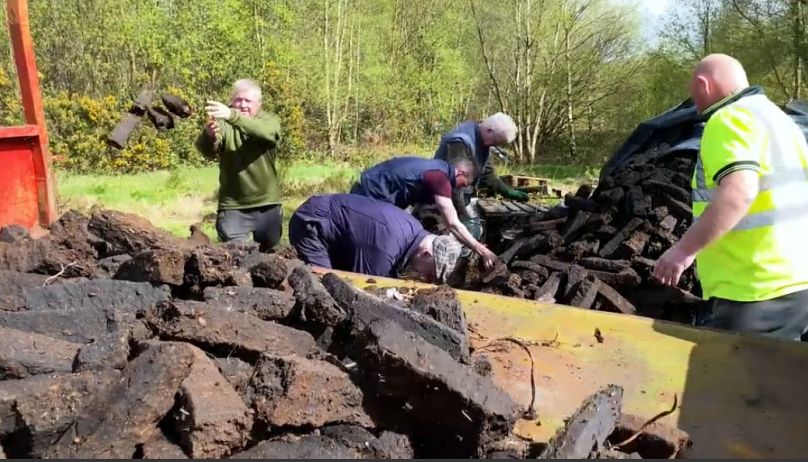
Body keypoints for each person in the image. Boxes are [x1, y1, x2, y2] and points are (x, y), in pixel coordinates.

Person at [654, 54, 808, 341]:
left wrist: (683, 251)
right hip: (797, 286)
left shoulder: (728, 118)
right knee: (781, 381)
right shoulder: (783, 122)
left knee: (735, 383)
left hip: (752, 290)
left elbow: (739, 191)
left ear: (703, 85)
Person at [350, 156, 498, 269]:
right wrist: (482, 251)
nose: (461, 188)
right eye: (464, 184)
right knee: (369, 241)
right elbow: (452, 223)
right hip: (370, 194)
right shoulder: (440, 178)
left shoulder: (437, 167)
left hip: (370, 187)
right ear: (461, 173)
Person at [289, 194, 462, 282]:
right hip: (313, 223)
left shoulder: (414, 229)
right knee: (327, 284)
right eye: (430, 272)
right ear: (426, 254)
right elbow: (368, 287)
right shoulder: (385, 250)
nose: (426, 278)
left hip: (338, 226)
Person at [196, 79, 283, 250]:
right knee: (235, 257)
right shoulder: (223, 123)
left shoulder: (269, 120)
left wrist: (231, 115)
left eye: (248, 101)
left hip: (267, 205)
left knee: (270, 257)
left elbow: (267, 134)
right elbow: (207, 151)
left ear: (259, 104)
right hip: (233, 206)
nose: (242, 105)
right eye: (238, 100)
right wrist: (209, 136)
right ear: (231, 101)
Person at [433, 112, 527, 237]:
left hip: (460, 197)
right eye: (496, 141)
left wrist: (508, 192)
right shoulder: (460, 142)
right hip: (439, 201)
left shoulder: (483, 141)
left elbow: (487, 175)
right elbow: (455, 184)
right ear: (489, 130)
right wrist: (463, 217)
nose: (495, 145)